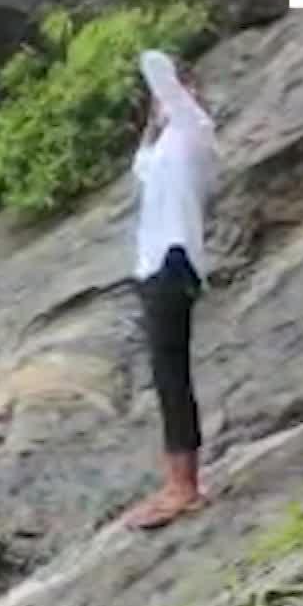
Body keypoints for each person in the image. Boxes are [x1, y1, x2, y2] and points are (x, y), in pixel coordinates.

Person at [122, 50, 216, 532]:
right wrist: (152, 126)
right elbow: (140, 165)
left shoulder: (195, 129)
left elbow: (155, 64)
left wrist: (167, 78)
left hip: (175, 262)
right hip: (155, 266)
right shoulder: (166, 145)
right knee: (166, 377)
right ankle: (180, 482)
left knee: (172, 376)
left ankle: (185, 488)